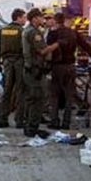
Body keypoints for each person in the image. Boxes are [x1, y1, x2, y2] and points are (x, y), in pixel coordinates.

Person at [46, 13, 91, 130]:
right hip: (70, 67)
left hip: (56, 67)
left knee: (54, 95)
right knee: (69, 95)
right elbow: (86, 46)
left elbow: (47, 51)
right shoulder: (73, 33)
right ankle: (66, 122)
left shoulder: (52, 34)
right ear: (64, 20)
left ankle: (54, 121)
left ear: (55, 21)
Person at [22, 8, 59, 138]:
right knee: (38, 99)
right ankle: (32, 128)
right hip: (35, 70)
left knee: (32, 99)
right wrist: (56, 45)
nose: (42, 19)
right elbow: (43, 51)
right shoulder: (34, 32)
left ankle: (29, 126)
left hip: (30, 69)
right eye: (40, 17)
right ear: (34, 19)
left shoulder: (28, 30)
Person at [0, 8, 27, 129]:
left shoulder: (3, 30)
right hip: (19, 61)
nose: (25, 20)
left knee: (6, 91)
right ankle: (19, 120)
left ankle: (2, 119)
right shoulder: (22, 31)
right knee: (20, 91)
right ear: (18, 17)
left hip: (7, 62)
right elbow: (25, 48)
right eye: (24, 17)